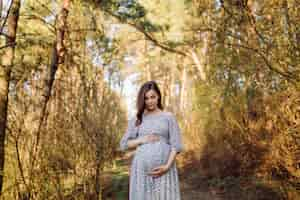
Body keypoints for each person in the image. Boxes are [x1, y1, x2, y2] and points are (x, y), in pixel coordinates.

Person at [119, 80, 183, 200]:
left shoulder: (168, 117)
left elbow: (176, 144)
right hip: (142, 171)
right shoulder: (137, 119)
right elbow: (123, 145)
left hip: (165, 170)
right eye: (146, 98)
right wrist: (141, 139)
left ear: (158, 96)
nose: (150, 101)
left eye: (152, 97)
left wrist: (167, 166)